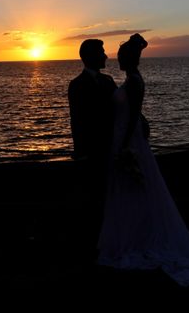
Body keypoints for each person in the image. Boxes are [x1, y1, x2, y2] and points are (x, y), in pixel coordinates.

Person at [97, 33, 189, 287]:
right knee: (130, 190)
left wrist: (124, 146)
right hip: (124, 138)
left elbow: (133, 115)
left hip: (128, 141)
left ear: (129, 59)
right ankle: (135, 234)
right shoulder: (130, 80)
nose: (117, 59)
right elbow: (137, 114)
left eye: (121, 56)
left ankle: (139, 238)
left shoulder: (134, 81)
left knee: (136, 188)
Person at [68, 39, 118, 252]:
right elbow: (77, 121)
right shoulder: (77, 85)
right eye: (102, 52)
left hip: (112, 148)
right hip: (92, 152)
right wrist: (81, 152)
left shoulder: (108, 81)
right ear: (90, 56)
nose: (106, 56)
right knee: (94, 198)